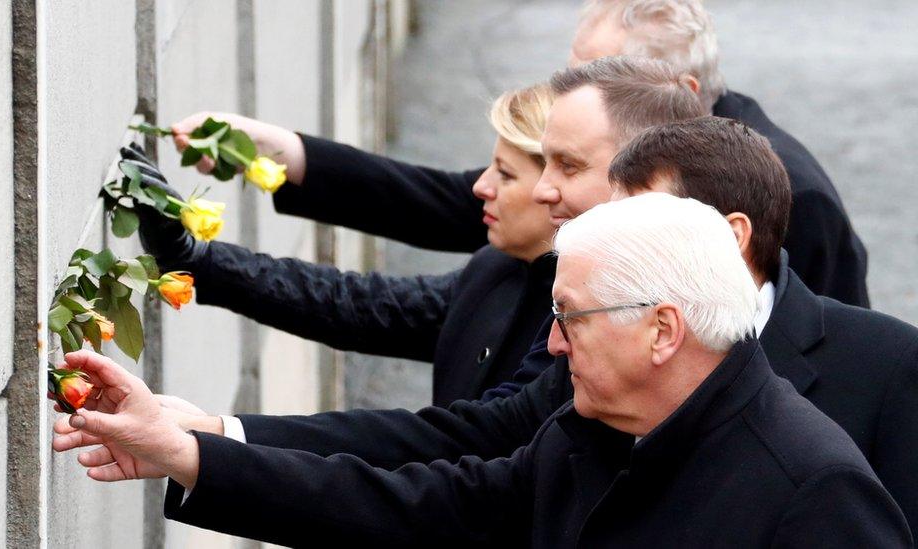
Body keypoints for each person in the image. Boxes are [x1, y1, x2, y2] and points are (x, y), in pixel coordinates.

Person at [59, 114, 918, 536]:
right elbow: (413, 502)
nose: (549, 345)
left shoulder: (816, 488)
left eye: (572, 319)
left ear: (663, 330)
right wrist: (191, 450)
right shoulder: (590, 432)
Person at [171, 0, 869, 307]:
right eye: (570, 68)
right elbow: (459, 202)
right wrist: (282, 152)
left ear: (683, 91)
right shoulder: (640, 137)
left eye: (599, 77)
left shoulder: (789, 196)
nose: (566, 92)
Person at [124, 84, 560, 407]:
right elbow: (360, 303)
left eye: (504, 173)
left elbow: (437, 452)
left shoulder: (569, 341)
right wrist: (197, 259)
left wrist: (209, 438)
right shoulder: (497, 270)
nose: (480, 187)